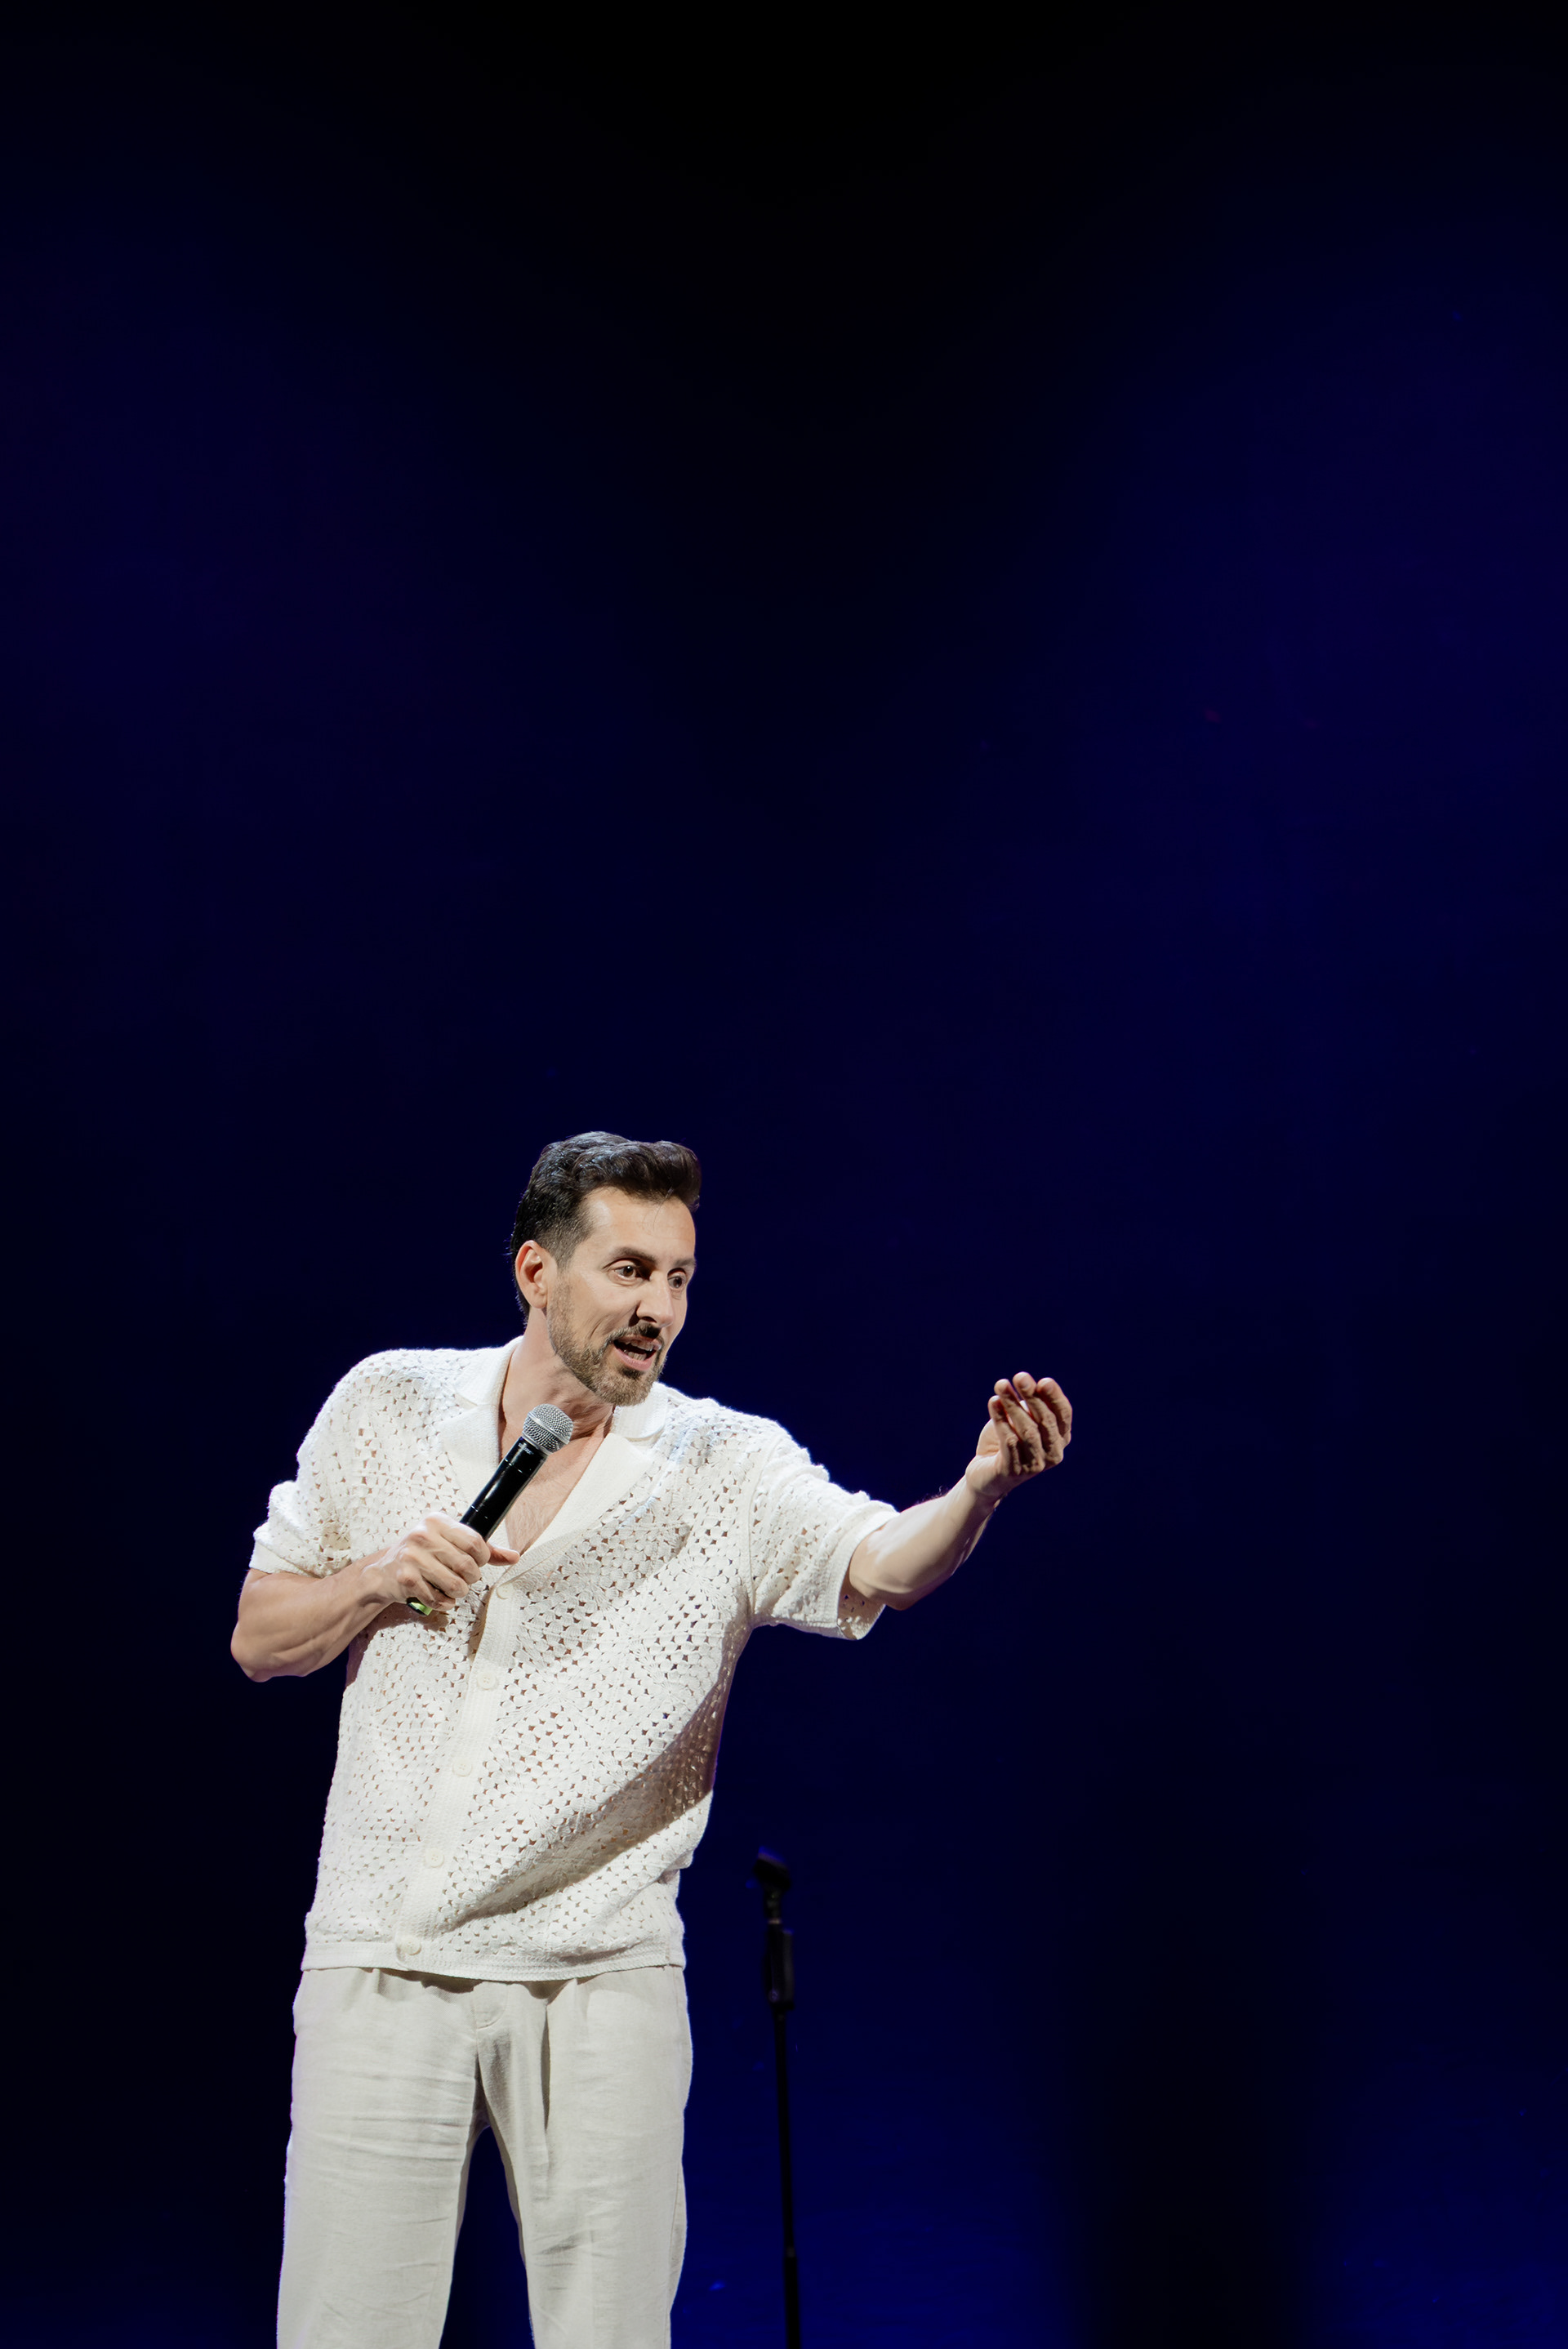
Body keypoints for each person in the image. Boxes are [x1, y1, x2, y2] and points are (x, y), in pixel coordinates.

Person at [233, 1130, 1072, 2349]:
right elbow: (263, 1637)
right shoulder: (389, 1403)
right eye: (629, 1272)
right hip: (383, 1962)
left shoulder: (723, 1463)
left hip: (600, 1975)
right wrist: (374, 1580)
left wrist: (981, 1488)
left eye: (678, 1280)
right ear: (535, 1270)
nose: (658, 1310)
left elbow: (878, 1562)